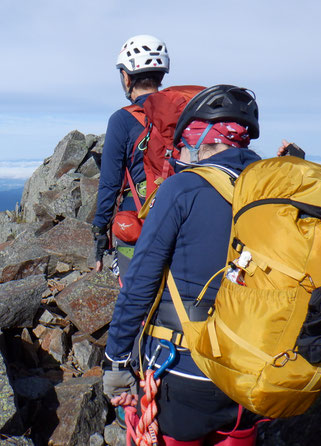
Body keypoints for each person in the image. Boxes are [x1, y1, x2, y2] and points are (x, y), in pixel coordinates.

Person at [102, 85, 263, 445]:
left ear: (200, 135)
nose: (181, 152)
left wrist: (116, 363)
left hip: (185, 374)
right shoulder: (274, 190)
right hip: (254, 373)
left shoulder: (182, 189)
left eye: (185, 141)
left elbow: (141, 283)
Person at [93, 34, 170, 272]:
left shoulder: (122, 120)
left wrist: (99, 236)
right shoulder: (181, 115)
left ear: (126, 77)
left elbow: (109, 183)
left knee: (134, 293)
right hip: (179, 210)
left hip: (137, 217)